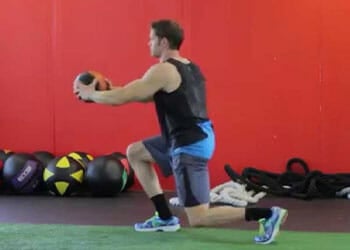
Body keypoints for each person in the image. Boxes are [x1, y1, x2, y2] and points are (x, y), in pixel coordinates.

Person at [74, 19, 288, 244]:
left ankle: (267, 215)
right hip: (193, 136)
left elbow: (123, 98)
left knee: (199, 217)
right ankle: (165, 217)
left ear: (163, 41)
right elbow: (142, 94)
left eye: (152, 38)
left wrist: (91, 94)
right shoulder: (189, 67)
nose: (148, 43)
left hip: (188, 145)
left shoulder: (162, 70)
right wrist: (110, 89)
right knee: (136, 152)